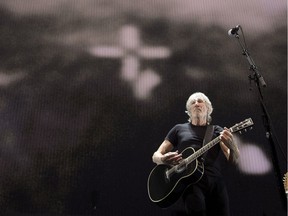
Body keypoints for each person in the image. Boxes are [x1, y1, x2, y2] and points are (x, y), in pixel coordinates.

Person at [152, 92, 240, 216]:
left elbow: (233, 160)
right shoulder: (178, 129)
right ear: (188, 111)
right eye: (193, 102)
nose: (196, 103)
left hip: (215, 183)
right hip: (190, 183)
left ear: (208, 109)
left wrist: (233, 146)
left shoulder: (217, 131)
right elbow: (156, 155)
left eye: (200, 101)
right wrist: (162, 159)